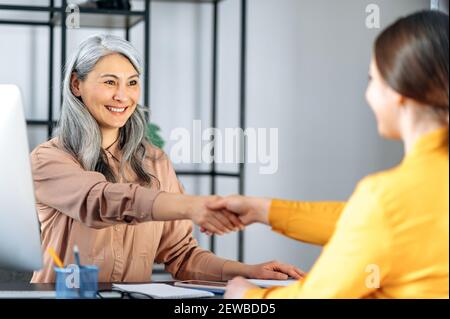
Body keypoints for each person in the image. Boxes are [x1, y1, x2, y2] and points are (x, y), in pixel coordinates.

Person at [208, 10, 449, 299]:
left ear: (399, 90)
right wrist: (263, 209)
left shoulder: (387, 197)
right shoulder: (396, 201)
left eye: (372, 79)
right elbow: (367, 222)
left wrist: (247, 297)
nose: (368, 93)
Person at [30, 34, 304, 283]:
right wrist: (190, 205)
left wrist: (250, 272)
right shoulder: (49, 159)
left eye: (132, 82)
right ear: (77, 85)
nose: (123, 95)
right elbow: (99, 201)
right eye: (110, 82)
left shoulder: (155, 161)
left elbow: (182, 256)